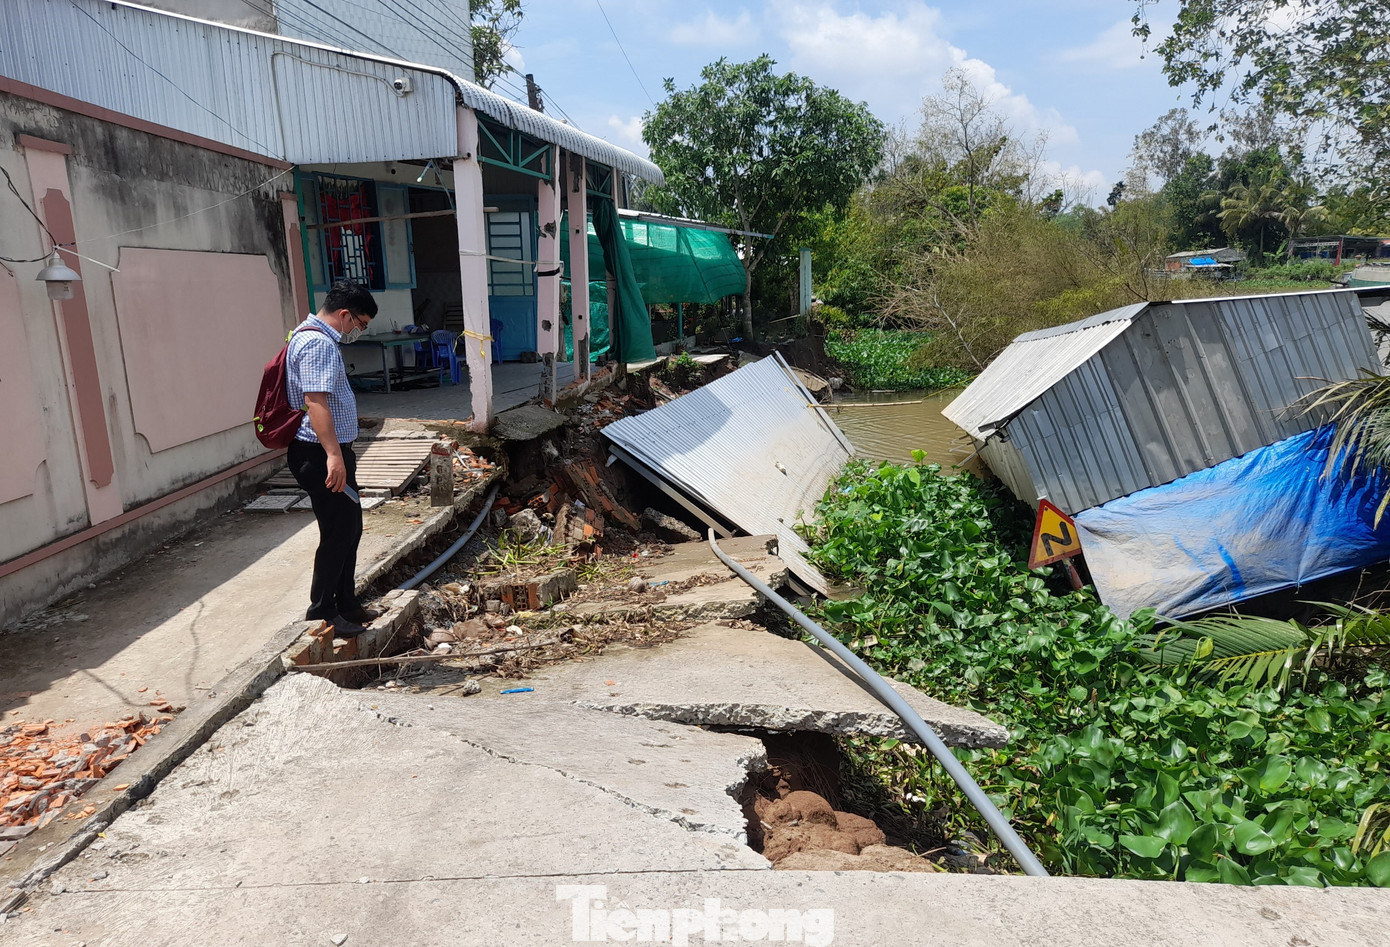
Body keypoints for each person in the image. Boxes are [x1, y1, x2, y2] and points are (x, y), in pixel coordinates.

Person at [285, 279, 380, 637]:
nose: (358, 330)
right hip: (320, 455)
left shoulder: (308, 336)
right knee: (338, 531)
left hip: (328, 453)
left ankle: (347, 603)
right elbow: (316, 402)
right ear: (344, 314)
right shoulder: (317, 344)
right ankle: (323, 612)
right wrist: (334, 457)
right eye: (360, 323)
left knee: (350, 526)